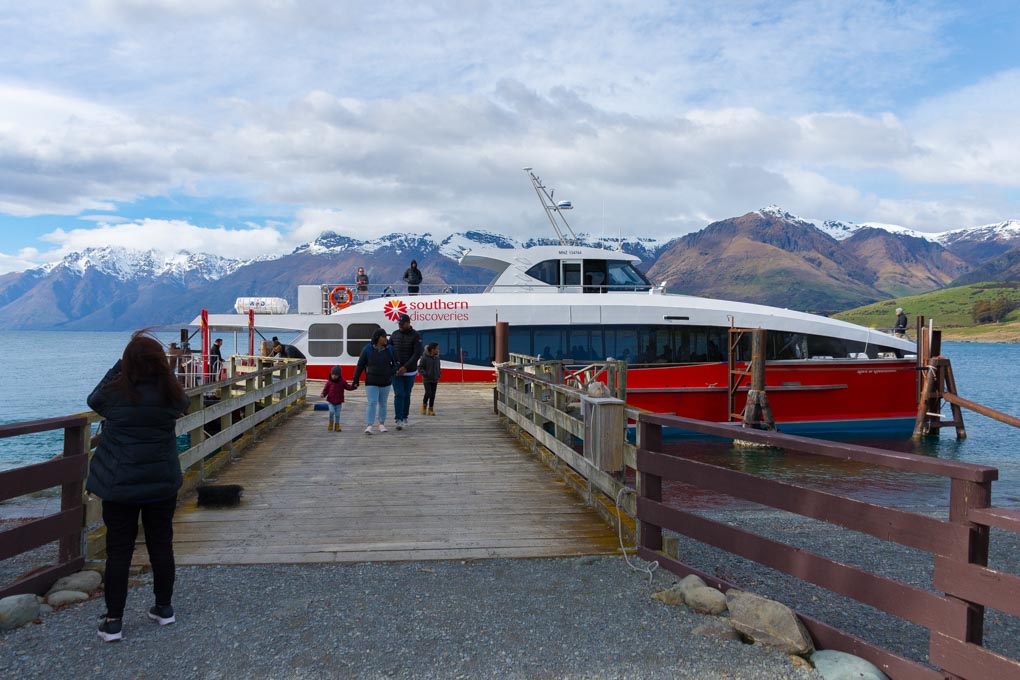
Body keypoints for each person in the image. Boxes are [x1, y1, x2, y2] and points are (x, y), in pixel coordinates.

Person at [86, 331, 190, 642]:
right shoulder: (171, 395)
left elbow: (93, 399)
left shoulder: (116, 394)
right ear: (160, 363)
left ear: (128, 363)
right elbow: (184, 403)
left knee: (119, 550)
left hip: (120, 486)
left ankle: (114, 621)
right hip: (161, 484)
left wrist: (120, 365)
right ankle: (164, 608)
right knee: (161, 544)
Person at [352, 329, 396, 434]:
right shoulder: (367, 349)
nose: (386, 339)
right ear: (378, 337)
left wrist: (390, 372)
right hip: (371, 380)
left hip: (385, 380)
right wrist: (356, 379)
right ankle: (369, 425)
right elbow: (360, 365)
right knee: (372, 402)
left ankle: (382, 424)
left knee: (383, 403)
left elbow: (395, 364)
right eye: (384, 336)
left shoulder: (389, 349)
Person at [390, 313, 423, 429]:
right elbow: (390, 352)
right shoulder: (394, 335)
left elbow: (417, 354)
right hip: (396, 371)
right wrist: (396, 366)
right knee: (399, 394)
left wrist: (406, 367)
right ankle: (398, 418)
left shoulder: (416, 336)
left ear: (408, 323)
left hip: (410, 371)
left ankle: (404, 416)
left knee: (406, 394)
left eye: (402, 324)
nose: (400, 326)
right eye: (399, 323)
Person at [320, 365, 356, 432]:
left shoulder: (342, 382)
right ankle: (331, 423)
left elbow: (348, 387)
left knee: (337, 414)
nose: (334, 376)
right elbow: (326, 390)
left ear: (339, 375)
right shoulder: (329, 382)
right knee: (331, 412)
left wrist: (353, 387)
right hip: (331, 401)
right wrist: (323, 394)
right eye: (333, 374)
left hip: (339, 401)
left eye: (336, 375)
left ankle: (337, 425)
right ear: (331, 374)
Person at [419, 342, 442, 416]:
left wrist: (439, 373)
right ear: (432, 349)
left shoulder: (437, 357)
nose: (438, 350)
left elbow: (438, 366)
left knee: (433, 394)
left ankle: (431, 409)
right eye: (437, 348)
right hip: (427, 379)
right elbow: (420, 367)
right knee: (428, 392)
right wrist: (425, 374)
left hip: (435, 378)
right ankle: (424, 405)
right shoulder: (424, 357)